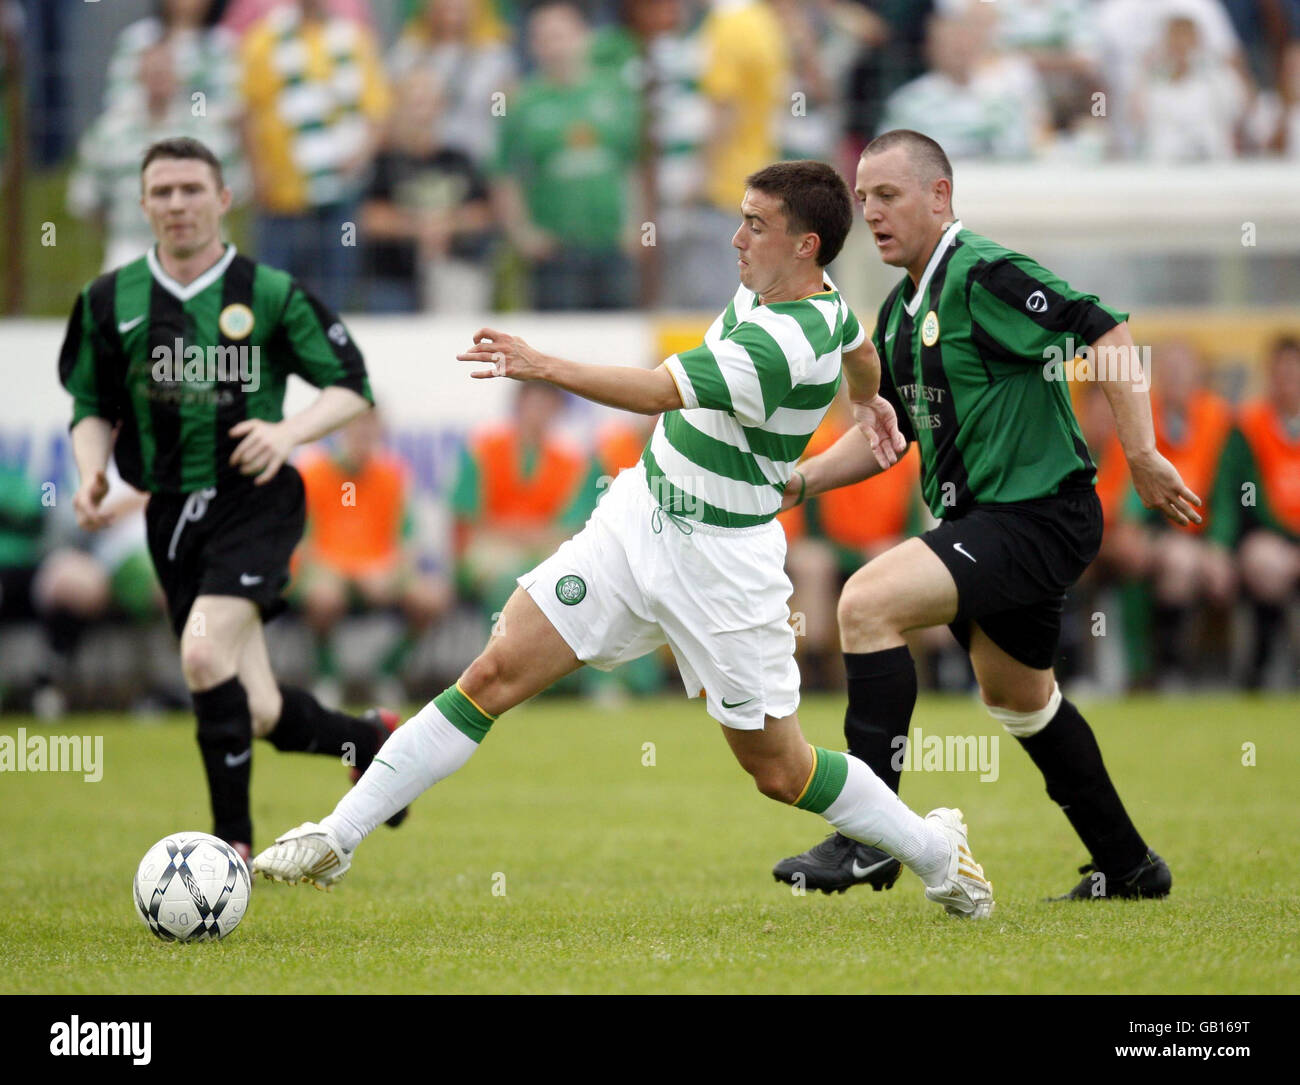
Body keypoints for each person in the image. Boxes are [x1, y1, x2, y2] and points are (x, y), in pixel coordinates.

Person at [252, 159, 994, 921]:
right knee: (494, 672)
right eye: (739, 216)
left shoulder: (784, 341)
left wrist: (542, 364)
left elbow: (656, 390)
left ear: (806, 245)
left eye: (756, 225)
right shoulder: (803, 293)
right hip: (638, 518)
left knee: (780, 769)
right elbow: (861, 345)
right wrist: (869, 404)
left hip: (721, 564)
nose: (736, 238)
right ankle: (338, 837)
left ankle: (938, 849)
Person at [772, 130, 1197, 901]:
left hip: (1035, 515)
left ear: (940, 196)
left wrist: (1141, 452)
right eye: (864, 198)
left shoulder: (983, 273)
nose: (871, 212)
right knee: (1019, 698)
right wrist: (796, 482)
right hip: (989, 526)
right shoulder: (902, 311)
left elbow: (1104, 329)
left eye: (889, 195)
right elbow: (887, 439)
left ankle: (868, 837)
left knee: (865, 603)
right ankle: (1132, 866)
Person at [57, 136, 405, 864]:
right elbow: (90, 402)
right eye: (163, 192)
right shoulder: (106, 300)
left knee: (202, 650)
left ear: (223, 199)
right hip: (169, 514)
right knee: (256, 707)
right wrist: (92, 471)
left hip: (256, 501)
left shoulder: (268, 292)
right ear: (144, 203)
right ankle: (368, 739)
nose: (178, 204)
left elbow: (351, 387)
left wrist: (286, 432)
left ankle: (229, 849)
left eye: (192, 189)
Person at [294, 408, 452, 709]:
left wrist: (389, 572)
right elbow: (303, 545)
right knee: (323, 597)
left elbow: (408, 542)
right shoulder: (312, 473)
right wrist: (353, 571)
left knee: (432, 597)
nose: (362, 435)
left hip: (382, 572)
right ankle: (330, 677)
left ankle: (384, 674)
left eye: (369, 427)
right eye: (355, 427)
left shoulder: (392, 475)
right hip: (328, 572)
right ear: (340, 430)